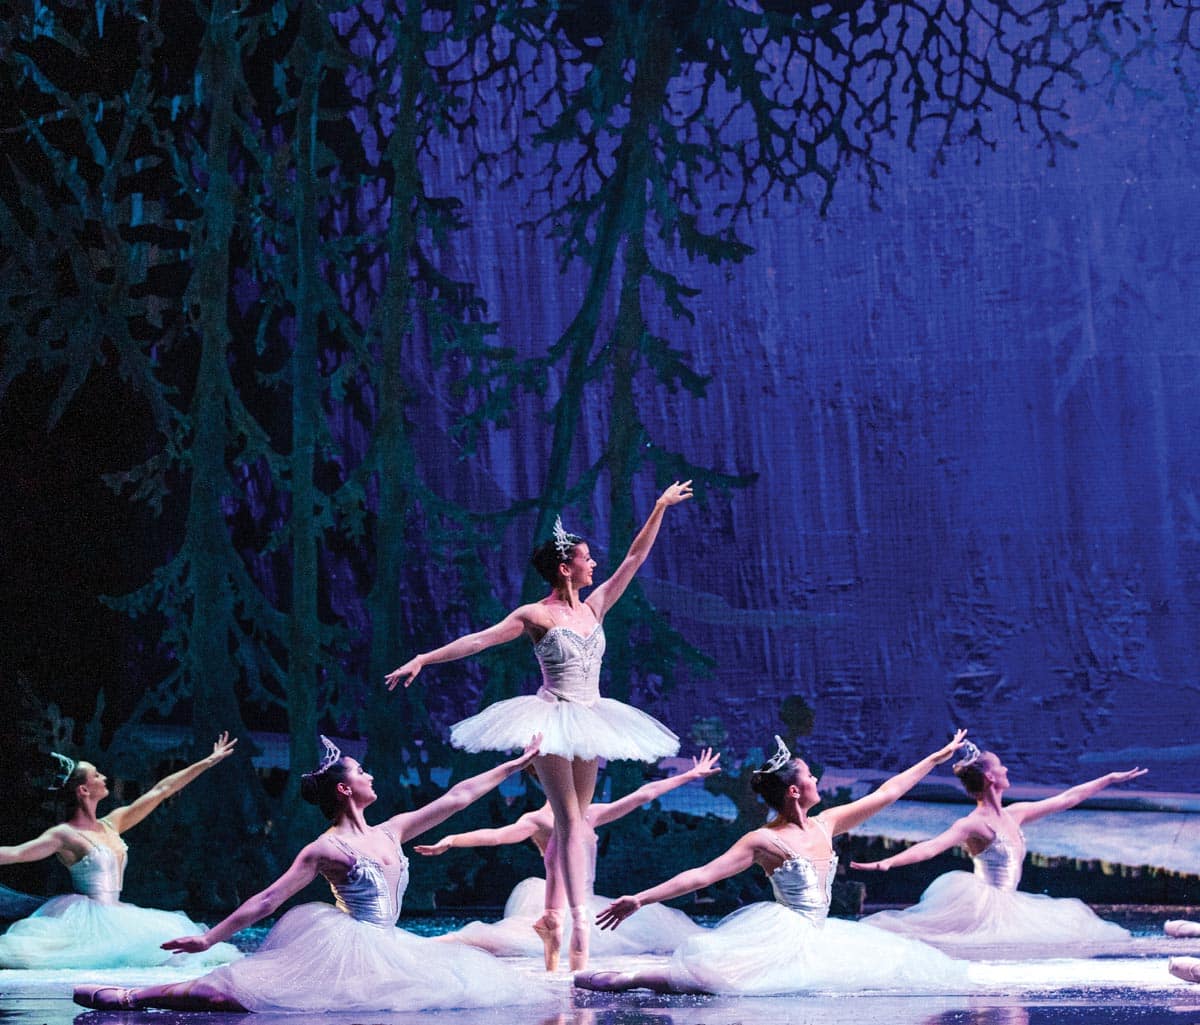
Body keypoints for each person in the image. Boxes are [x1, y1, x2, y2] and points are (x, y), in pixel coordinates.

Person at [385, 482, 692, 970]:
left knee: (579, 822)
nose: (595, 565)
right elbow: (480, 641)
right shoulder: (536, 614)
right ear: (566, 567)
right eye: (587, 559)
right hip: (552, 716)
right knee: (568, 821)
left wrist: (658, 507)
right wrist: (424, 658)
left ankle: (551, 916)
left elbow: (634, 559)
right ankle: (577, 928)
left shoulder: (595, 607)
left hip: (591, 718)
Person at [74, 735, 556, 1013]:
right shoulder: (325, 848)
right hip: (348, 943)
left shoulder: (392, 830)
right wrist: (208, 938)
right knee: (231, 990)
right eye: (362, 772)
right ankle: (135, 996)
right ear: (345, 789)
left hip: (390, 945)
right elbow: (268, 899)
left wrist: (514, 765)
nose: (371, 776)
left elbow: (458, 797)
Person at [574, 731, 973, 995]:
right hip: (782, 931)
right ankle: (629, 978)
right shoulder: (764, 840)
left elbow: (887, 793)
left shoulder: (826, 823)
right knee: (718, 977)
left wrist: (934, 760)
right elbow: (702, 875)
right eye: (810, 776)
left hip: (821, 931)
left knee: (896, 964)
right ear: (795, 791)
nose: (817, 780)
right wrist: (640, 899)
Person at [420, 748, 720, 968]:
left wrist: (689, 775)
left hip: (590, 903)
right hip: (560, 903)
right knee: (504, 941)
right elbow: (498, 836)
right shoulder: (539, 819)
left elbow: (643, 795)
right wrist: (453, 840)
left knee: (653, 931)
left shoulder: (590, 814)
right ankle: (424, 946)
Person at [850, 743, 1144, 956]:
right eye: (1000, 766)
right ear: (991, 777)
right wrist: (887, 862)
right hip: (984, 905)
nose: (1005, 769)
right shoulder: (974, 823)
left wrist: (1108, 780)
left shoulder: (1015, 813)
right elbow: (932, 847)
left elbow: (1067, 798)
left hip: (1012, 903)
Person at [0, 733, 242, 969]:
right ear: (83, 790)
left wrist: (207, 762)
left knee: (171, 942)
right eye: (96, 775)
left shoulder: (113, 822)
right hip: (87, 918)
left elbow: (161, 790)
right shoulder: (65, 835)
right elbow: (16, 853)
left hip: (119, 914)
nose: (104, 777)